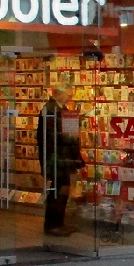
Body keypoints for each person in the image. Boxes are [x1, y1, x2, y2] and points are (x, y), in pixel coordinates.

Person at [36, 82, 84, 237]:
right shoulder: (51, 110)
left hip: (60, 157)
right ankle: (53, 224)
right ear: (59, 93)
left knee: (62, 189)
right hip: (57, 158)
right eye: (68, 94)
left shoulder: (57, 109)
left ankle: (57, 222)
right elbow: (54, 135)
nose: (70, 97)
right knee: (59, 189)